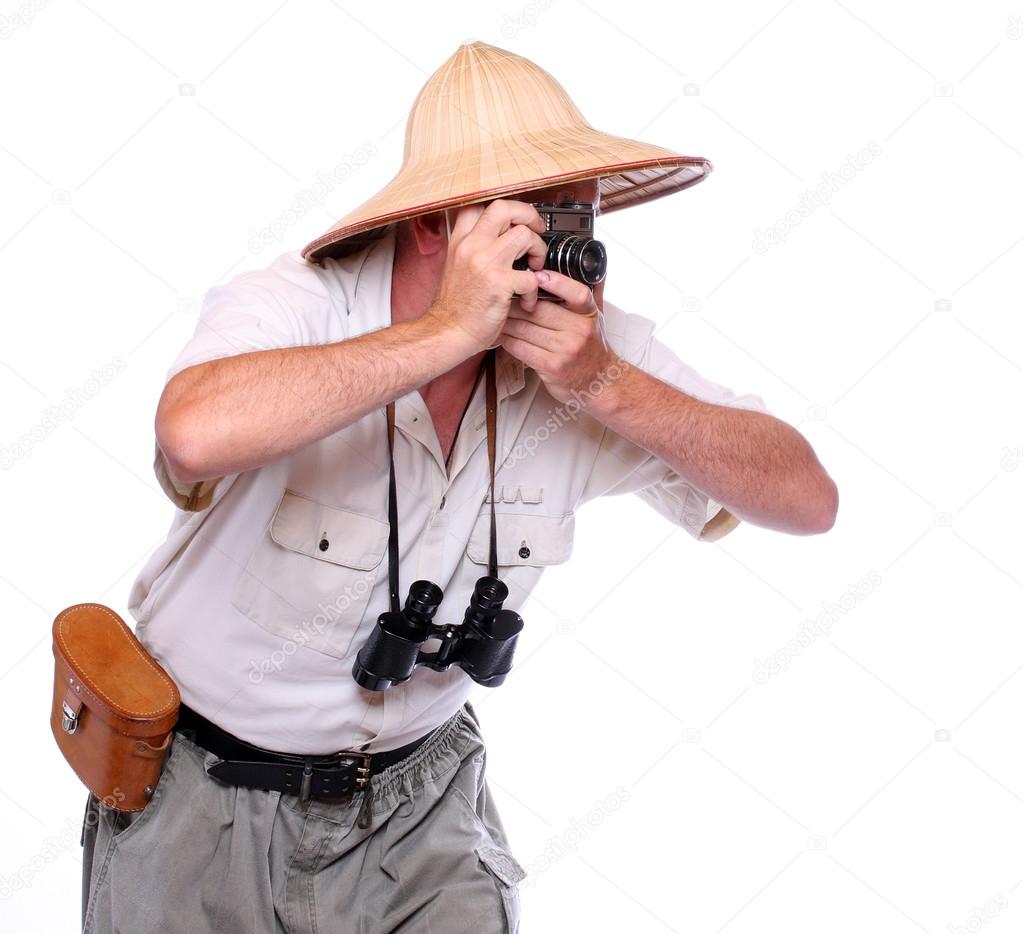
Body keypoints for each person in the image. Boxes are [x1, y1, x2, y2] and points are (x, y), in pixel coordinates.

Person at [79, 40, 838, 934]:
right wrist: (444, 332)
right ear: (435, 225)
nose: (560, 254)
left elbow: (806, 501)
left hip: (421, 804)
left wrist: (604, 384)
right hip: (204, 800)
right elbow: (194, 432)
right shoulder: (298, 305)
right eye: (533, 221)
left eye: (577, 220)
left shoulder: (584, 349)